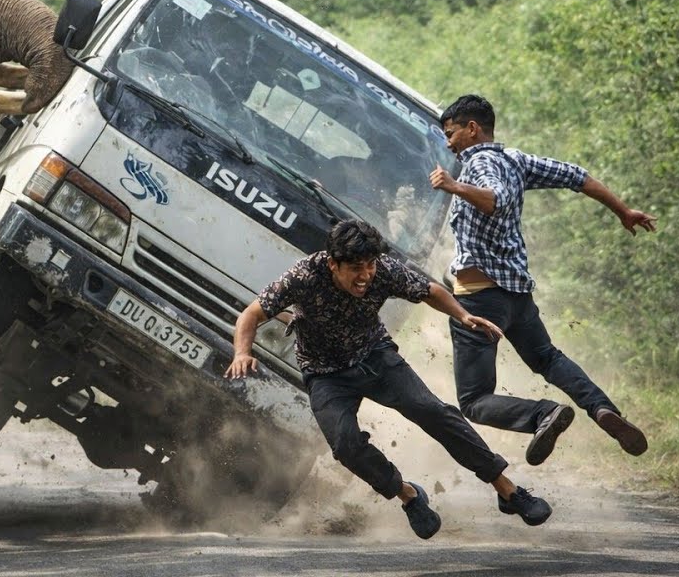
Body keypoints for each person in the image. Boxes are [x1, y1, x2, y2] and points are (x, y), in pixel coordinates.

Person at [225, 219, 552, 540]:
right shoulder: (302, 276)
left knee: (433, 411)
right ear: (332, 264)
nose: (365, 275)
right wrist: (242, 353)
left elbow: (430, 290)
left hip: (375, 357)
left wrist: (463, 315)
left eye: (369, 265)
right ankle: (409, 496)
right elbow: (251, 314)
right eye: (356, 267)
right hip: (325, 374)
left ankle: (508, 491)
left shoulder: (383, 270)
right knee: (345, 445)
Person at [429, 94, 656, 466]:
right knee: (548, 359)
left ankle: (542, 414)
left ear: (472, 129)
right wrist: (623, 210)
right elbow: (577, 176)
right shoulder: (516, 160)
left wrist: (455, 187)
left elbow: (495, 200)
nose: (449, 143)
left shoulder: (477, 162)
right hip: (517, 297)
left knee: (473, 400)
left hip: (480, 301)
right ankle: (601, 408)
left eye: (451, 134)